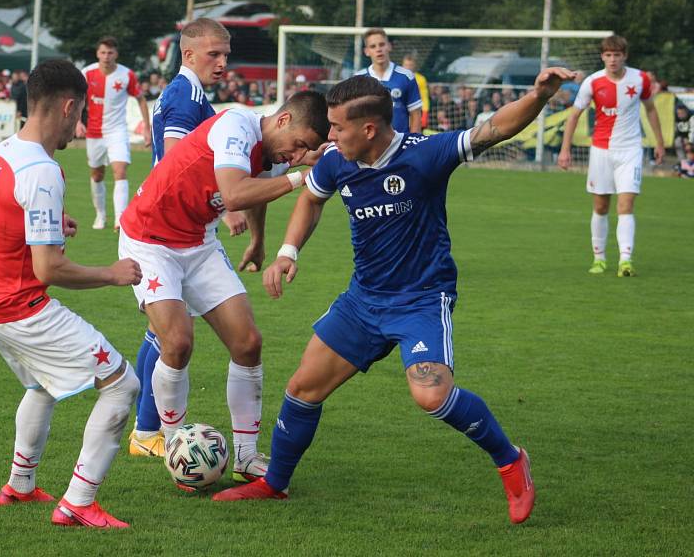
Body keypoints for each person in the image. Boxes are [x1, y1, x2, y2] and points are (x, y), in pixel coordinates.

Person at [211, 68, 576, 525]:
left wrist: (540, 95)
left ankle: (510, 460)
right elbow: (313, 198)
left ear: (368, 129)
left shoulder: (425, 154)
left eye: (338, 127)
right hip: (363, 300)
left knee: (431, 395)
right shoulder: (335, 160)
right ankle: (275, 484)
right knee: (303, 389)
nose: (329, 135)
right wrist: (287, 252)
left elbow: (494, 128)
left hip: (421, 299)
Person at [118, 91, 329, 487]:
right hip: (150, 241)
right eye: (300, 144)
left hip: (197, 242)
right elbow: (234, 193)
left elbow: (257, 188)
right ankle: (178, 447)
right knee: (177, 342)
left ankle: (247, 457)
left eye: (307, 152)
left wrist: (259, 240)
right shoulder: (236, 125)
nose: (297, 155)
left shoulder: (270, 152)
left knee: (248, 342)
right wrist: (304, 176)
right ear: (283, 120)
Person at [0, 59, 142, 528]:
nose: (81, 127)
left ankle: (20, 486)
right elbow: (50, 268)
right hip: (18, 307)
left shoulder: (2, 151)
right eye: (80, 114)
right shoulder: (43, 171)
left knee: (41, 385)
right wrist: (112, 272)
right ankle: (79, 503)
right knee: (123, 385)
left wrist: (42, 225)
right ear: (67, 107)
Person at [132, 17, 246, 459]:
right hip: (174, 232)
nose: (222, 62)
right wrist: (229, 201)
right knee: (172, 336)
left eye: (226, 54)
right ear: (189, 54)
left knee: (161, 333)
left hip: (174, 227)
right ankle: (149, 431)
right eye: (214, 54)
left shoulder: (189, 95)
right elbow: (181, 164)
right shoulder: (186, 98)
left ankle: (146, 430)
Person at [558, 35, 665, 277]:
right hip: (601, 152)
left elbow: (651, 110)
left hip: (630, 151)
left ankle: (625, 261)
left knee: (626, 204)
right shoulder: (593, 82)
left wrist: (659, 143)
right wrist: (565, 150)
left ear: (625, 55)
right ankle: (599, 258)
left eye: (617, 55)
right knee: (601, 206)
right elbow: (574, 115)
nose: (612, 59)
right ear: (602, 56)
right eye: (608, 55)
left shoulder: (640, 79)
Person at [77, 36, 151, 231]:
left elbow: (141, 100)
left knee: (120, 170)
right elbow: (76, 98)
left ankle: (120, 218)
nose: (106, 56)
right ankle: (100, 215)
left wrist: (147, 129)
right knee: (97, 174)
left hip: (117, 131)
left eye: (110, 53)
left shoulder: (126, 75)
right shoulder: (87, 73)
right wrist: (77, 122)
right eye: (103, 52)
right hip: (94, 133)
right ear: (97, 54)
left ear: (116, 54)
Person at [355, 28, 422, 134]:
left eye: (382, 44)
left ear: (389, 46)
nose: (378, 49)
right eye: (373, 46)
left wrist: (415, 142)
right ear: (366, 51)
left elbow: (416, 113)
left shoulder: (406, 76)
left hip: (400, 144)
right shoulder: (358, 79)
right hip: (369, 144)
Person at [401, 54, 429, 130]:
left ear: (414, 66)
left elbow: (424, 97)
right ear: (402, 65)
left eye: (410, 65)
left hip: (415, 111)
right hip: (401, 112)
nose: (408, 67)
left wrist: (425, 114)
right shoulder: (398, 79)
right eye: (406, 65)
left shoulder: (421, 79)